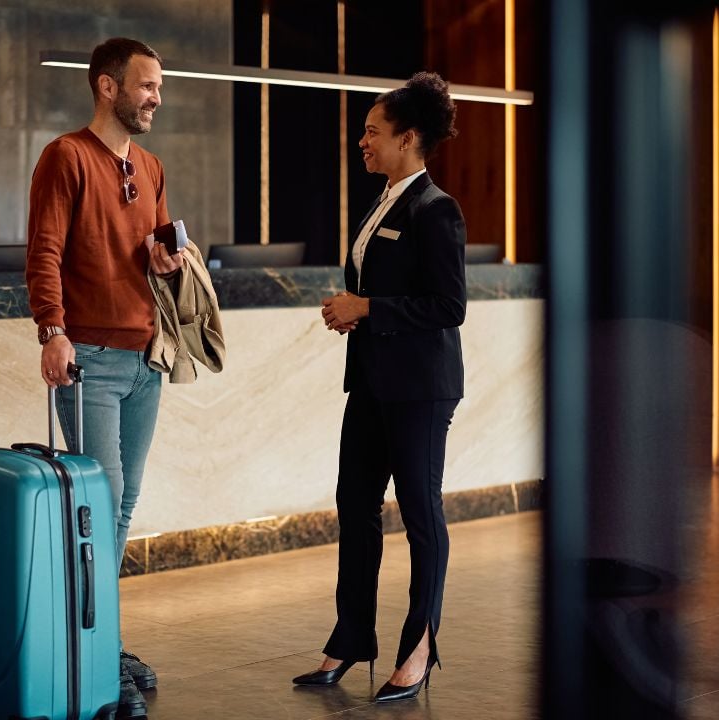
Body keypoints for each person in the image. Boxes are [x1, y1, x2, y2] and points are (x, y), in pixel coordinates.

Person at [25, 37, 183, 720]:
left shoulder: (150, 166)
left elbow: (152, 251)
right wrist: (52, 331)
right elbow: (45, 251)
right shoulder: (65, 157)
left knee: (121, 506)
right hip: (88, 359)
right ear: (107, 87)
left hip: (145, 361)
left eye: (158, 87)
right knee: (101, 503)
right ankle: (92, 652)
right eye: (147, 86)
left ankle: (101, 641)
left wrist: (163, 259)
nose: (156, 98)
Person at [295, 72, 465, 704]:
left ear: (408, 138)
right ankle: (350, 638)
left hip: (420, 388)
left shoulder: (436, 208)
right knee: (356, 505)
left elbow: (449, 305)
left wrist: (366, 308)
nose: (361, 142)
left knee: (420, 513)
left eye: (372, 132)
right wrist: (355, 311)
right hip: (371, 382)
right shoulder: (381, 203)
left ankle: (419, 647)